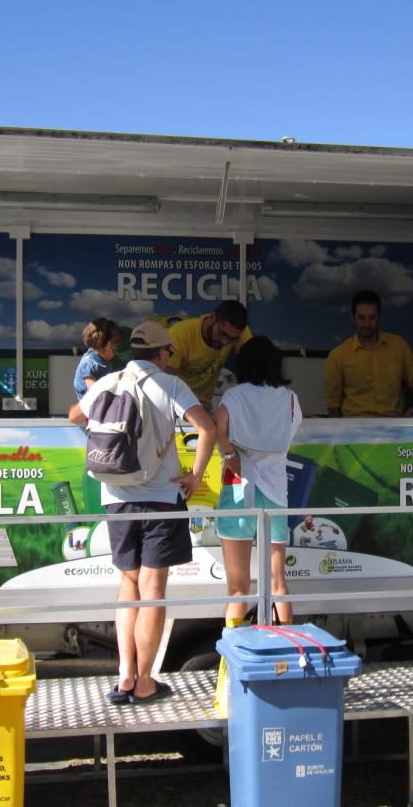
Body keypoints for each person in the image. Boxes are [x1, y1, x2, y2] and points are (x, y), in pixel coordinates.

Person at [69, 321, 216, 705]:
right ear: (163, 353)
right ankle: (146, 681)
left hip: (115, 497)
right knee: (153, 592)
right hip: (160, 500)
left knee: (127, 587)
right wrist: (195, 475)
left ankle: (124, 677)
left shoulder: (107, 381)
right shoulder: (171, 385)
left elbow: (74, 416)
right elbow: (207, 427)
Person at [213, 336, 302, 627]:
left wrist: (230, 454)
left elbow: (216, 428)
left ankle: (232, 663)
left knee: (237, 588)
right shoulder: (289, 397)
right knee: (278, 584)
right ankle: (287, 649)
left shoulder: (234, 396)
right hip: (277, 493)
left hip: (239, 486)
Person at [324, 289, 413, 417]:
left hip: (394, 424)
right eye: (362, 318)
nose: (367, 324)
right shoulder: (337, 356)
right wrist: (339, 433)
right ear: (353, 318)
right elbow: (332, 404)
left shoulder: (398, 345)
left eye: (372, 317)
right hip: (355, 426)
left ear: (379, 317)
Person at [165, 299, 253, 409]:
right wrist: (189, 399)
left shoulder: (239, 333)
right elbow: (164, 382)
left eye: (232, 339)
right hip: (176, 404)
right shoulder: (179, 336)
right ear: (212, 317)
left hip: (204, 404)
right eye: (222, 334)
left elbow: (254, 365)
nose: (225, 342)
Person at [73, 317, 122, 400]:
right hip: (91, 409)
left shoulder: (104, 362)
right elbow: (95, 393)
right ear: (104, 345)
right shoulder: (89, 364)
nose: (116, 353)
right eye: (115, 348)